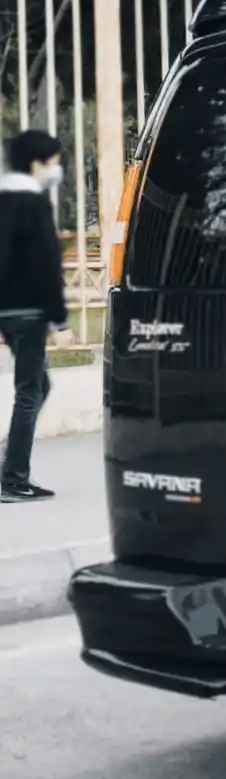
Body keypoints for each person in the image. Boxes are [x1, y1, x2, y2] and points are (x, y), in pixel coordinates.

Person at [0, 129, 69, 503]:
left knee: (39, 385)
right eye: (54, 162)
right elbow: (46, 265)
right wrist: (60, 320)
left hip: (7, 312)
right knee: (30, 392)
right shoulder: (34, 203)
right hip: (29, 313)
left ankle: (8, 463)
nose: (56, 170)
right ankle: (12, 479)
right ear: (37, 164)